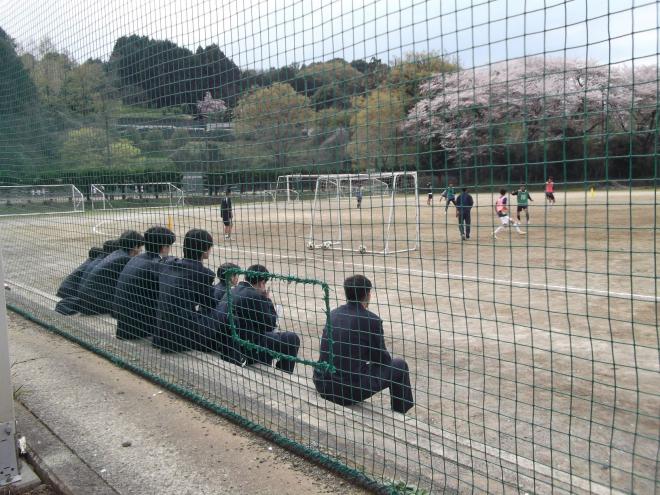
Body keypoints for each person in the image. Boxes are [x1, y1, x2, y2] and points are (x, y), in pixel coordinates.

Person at [313, 275, 414, 414]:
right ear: (368, 294)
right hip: (346, 392)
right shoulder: (371, 320)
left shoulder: (333, 314)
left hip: (322, 384)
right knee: (399, 365)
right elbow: (382, 359)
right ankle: (400, 413)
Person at [153, 229, 224, 354]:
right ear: (205, 250)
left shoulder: (168, 264)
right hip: (181, 337)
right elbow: (210, 305)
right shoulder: (203, 273)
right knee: (224, 309)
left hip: (161, 332)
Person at [228, 264, 300, 373]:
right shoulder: (253, 295)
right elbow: (271, 324)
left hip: (234, 344)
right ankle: (283, 374)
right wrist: (266, 299)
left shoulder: (233, 290)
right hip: (249, 349)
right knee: (292, 339)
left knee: (272, 336)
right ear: (262, 283)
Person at [113, 226, 175, 340]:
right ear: (164, 248)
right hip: (138, 328)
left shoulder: (136, 259)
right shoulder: (154, 265)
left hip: (123, 325)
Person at [77, 231, 145, 315]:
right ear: (135, 247)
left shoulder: (117, 253)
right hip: (93, 302)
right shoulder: (124, 259)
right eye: (140, 247)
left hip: (88, 299)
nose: (141, 250)